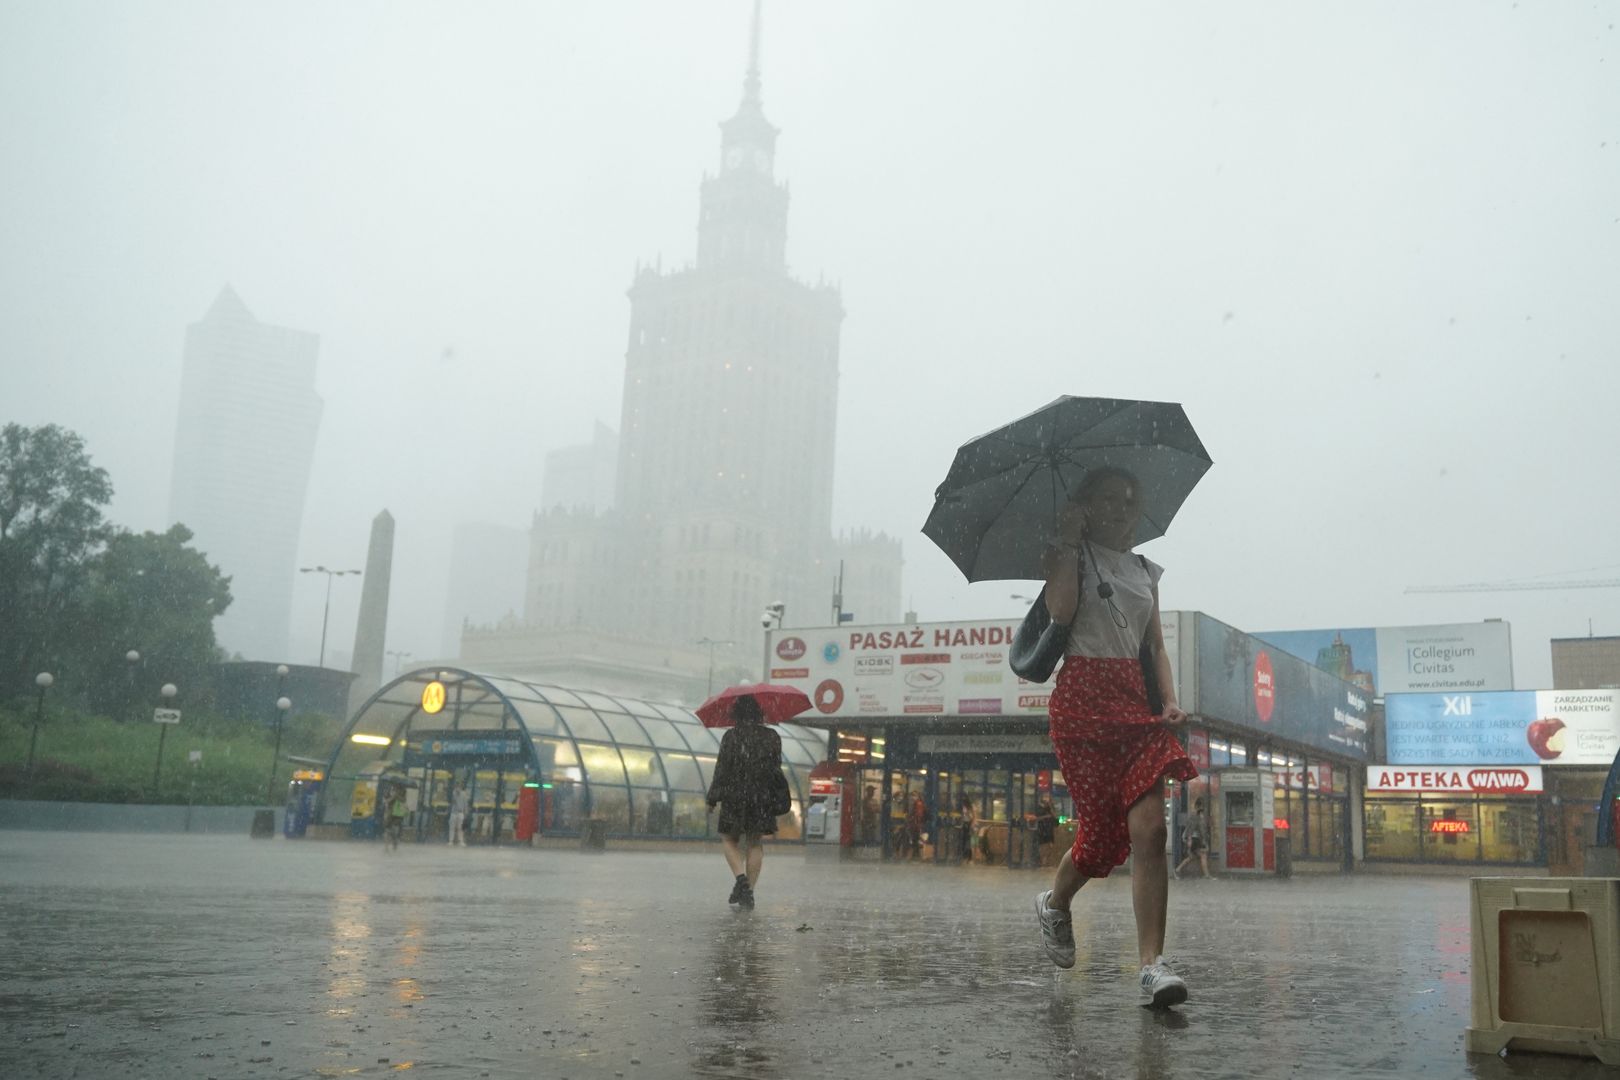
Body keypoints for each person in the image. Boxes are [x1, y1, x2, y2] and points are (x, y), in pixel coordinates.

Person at [1031, 466, 1199, 1008]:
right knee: (1102, 840)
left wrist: (1168, 699)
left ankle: (1152, 964)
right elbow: (1060, 613)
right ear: (1088, 505)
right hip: (1081, 702)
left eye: (1132, 499)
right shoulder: (1068, 553)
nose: (1124, 509)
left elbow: (1155, 647)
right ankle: (1056, 904)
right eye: (1111, 499)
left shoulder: (1147, 570)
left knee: (1150, 829)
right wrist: (1065, 539)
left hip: (1135, 703)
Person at [705, 695, 783, 909]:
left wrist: (712, 798)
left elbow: (721, 770)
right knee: (755, 842)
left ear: (736, 714)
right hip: (761, 796)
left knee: (729, 839)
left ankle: (741, 880)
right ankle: (749, 891)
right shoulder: (772, 736)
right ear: (759, 713)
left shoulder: (731, 736)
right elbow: (775, 768)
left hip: (734, 795)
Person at [1174, 797, 1213, 879]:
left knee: (1192, 857)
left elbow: (1202, 830)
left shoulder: (1199, 816)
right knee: (1202, 855)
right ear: (1199, 806)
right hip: (1193, 838)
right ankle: (1206, 875)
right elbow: (1191, 829)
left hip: (1195, 839)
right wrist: (1189, 840)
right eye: (1202, 807)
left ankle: (1177, 870)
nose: (1203, 809)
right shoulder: (1195, 816)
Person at [1034, 798, 1059, 867]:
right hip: (1042, 831)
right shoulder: (1038, 808)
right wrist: (1045, 817)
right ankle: (1043, 862)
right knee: (1042, 848)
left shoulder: (1050, 809)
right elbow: (1036, 819)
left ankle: (1045, 862)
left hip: (1049, 832)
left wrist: (1051, 810)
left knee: (1049, 848)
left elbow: (1057, 821)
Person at [384, 784, 408, 852]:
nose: (395, 790)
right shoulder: (391, 792)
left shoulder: (400, 795)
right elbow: (387, 801)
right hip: (391, 815)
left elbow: (403, 801)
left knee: (392, 830)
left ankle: (393, 843)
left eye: (396, 789)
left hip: (397, 815)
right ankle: (388, 846)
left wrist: (395, 796)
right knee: (389, 830)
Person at [906, 792, 927, 861]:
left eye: (914, 796)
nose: (912, 797)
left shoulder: (918, 804)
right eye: (912, 796)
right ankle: (917, 856)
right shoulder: (916, 804)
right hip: (915, 825)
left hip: (916, 825)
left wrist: (914, 821)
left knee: (915, 840)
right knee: (916, 840)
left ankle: (916, 856)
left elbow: (918, 815)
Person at [448, 781, 471, 846]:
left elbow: (465, 804)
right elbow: (452, 802)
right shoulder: (453, 793)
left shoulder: (464, 794)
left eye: (459, 787)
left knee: (460, 828)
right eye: (456, 787)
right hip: (453, 812)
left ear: (461, 788)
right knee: (452, 827)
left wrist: (466, 812)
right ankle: (451, 841)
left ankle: (460, 841)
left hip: (460, 813)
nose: (458, 789)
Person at [958, 795, 977, 864]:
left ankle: (968, 857)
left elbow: (972, 817)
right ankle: (965, 857)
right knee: (964, 841)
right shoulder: (963, 807)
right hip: (965, 824)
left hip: (968, 824)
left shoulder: (970, 807)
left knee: (967, 841)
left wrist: (967, 814)